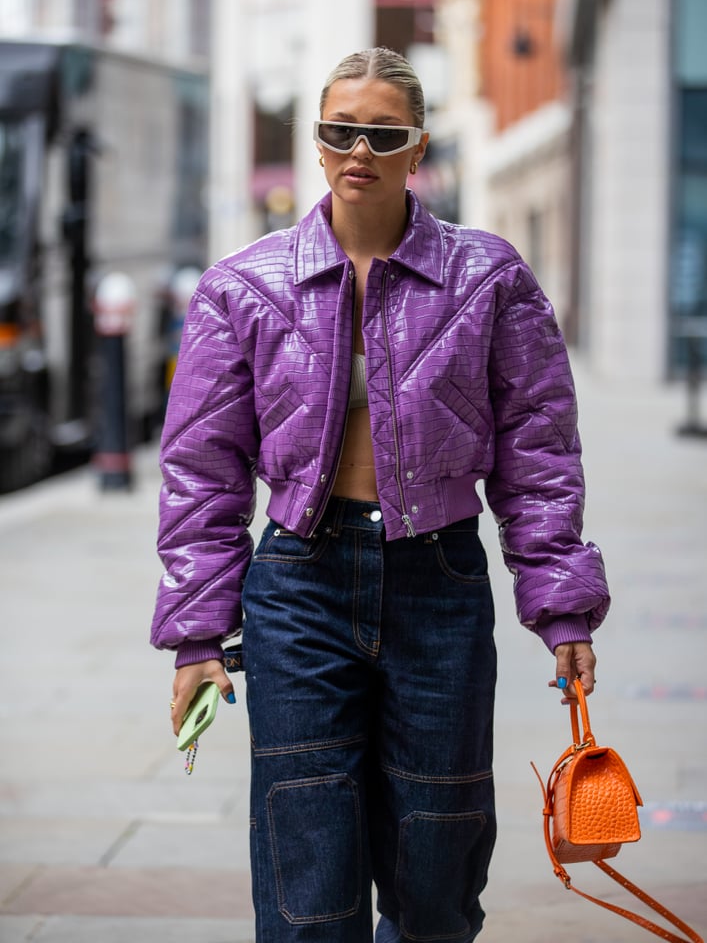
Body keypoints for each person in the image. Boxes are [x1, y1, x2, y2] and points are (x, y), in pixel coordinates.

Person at [151, 47, 610, 943]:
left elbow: (537, 449)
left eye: (381, 133)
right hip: (297, 587)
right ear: (317, 147)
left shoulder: (488, 278)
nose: (358, 149)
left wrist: (562, 609)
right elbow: (201, 469)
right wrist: (196, 635)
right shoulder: (242, 287)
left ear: (417, 147)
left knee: (437, 868)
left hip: (438, 583)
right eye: (339, 131)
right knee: (306, 874)